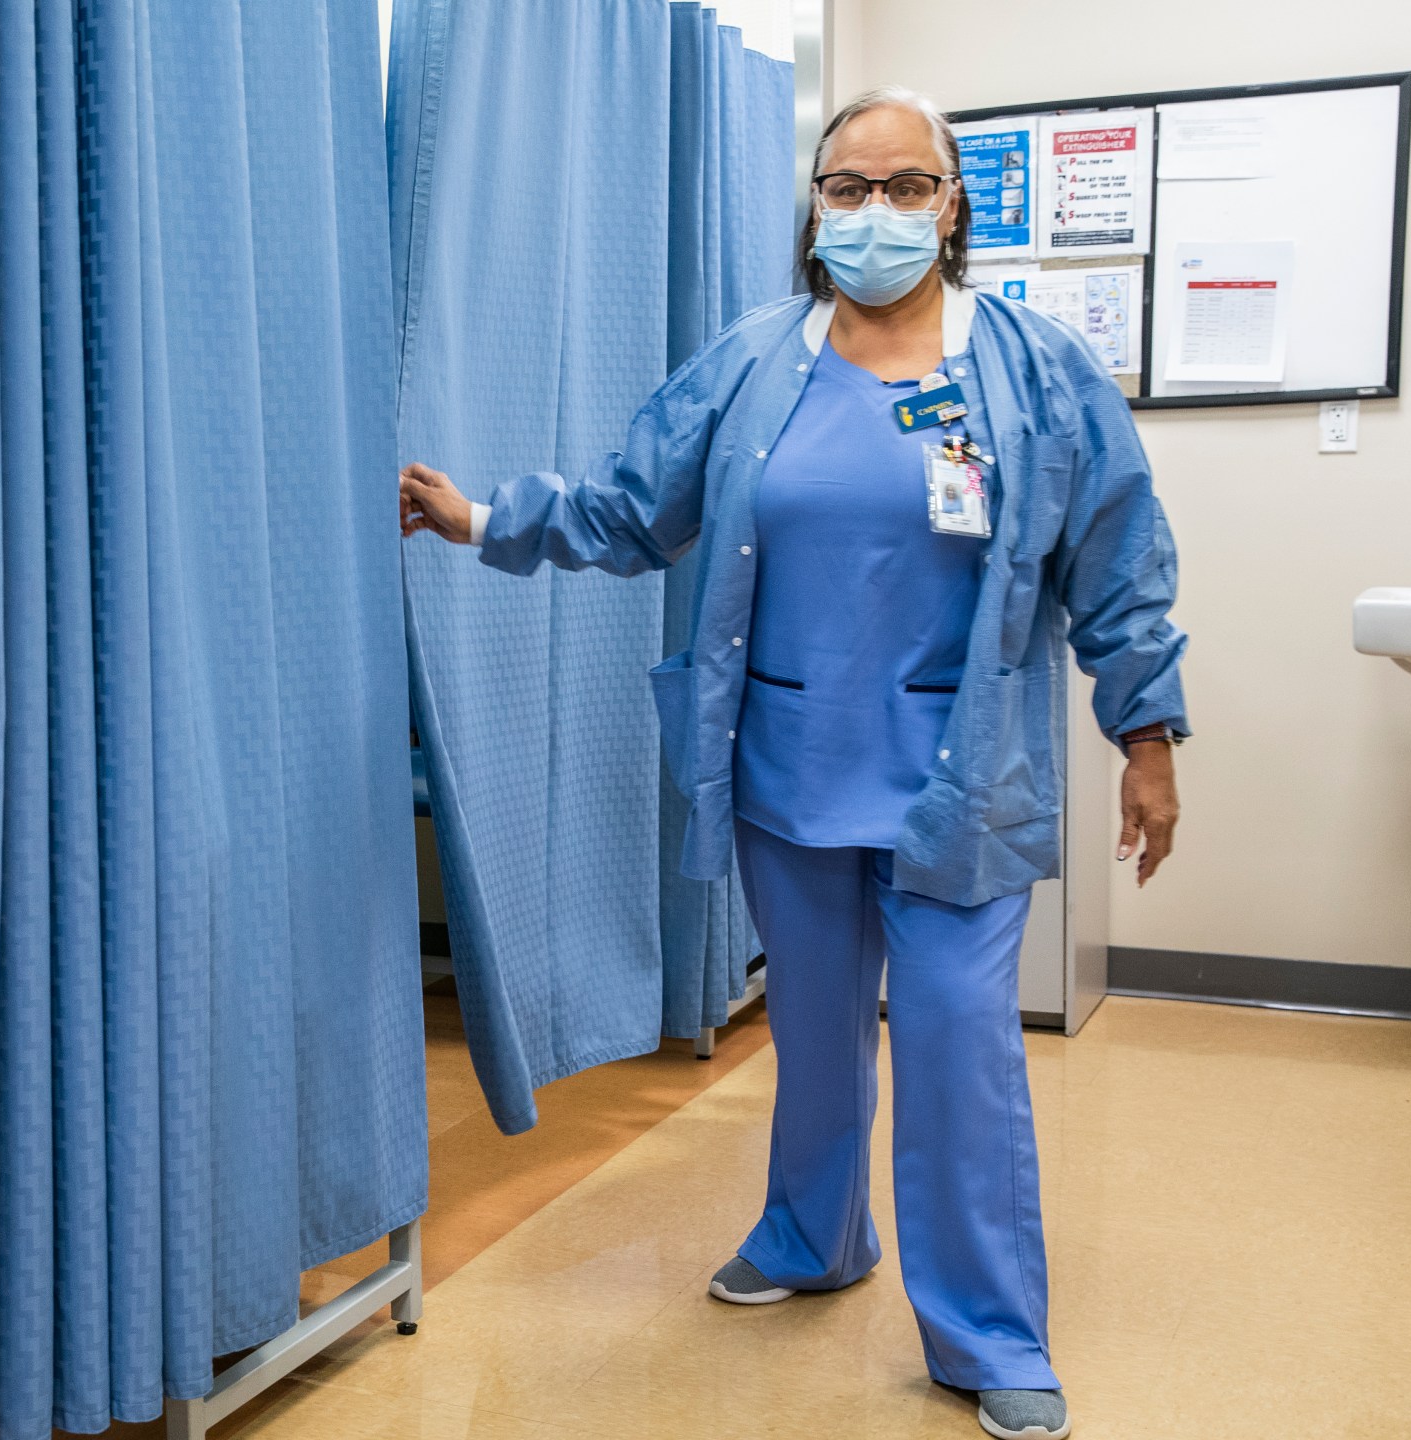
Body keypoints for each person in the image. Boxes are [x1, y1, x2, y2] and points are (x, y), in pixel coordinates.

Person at [398, 87, 1185, 1440]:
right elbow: (633, 506)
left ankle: (990, 1337)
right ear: (814, 207)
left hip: (963, 772)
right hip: (791, 765)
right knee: (815, 1036)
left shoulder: (1038, 370)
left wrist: (1148, 735)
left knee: (958, 1051)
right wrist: (484, 520)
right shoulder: (756, 361)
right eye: (847, 187)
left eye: (905, 186)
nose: (874, 212)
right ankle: (815, 1238)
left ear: (955, 206)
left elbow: (1119, 562)